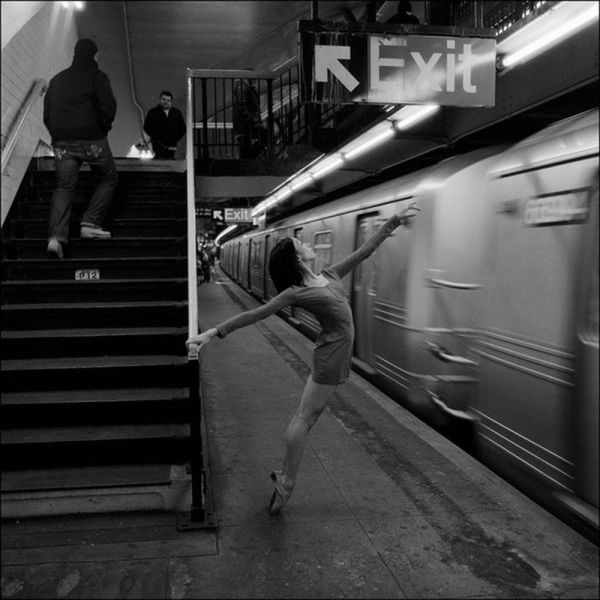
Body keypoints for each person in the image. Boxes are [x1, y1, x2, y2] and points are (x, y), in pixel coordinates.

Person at [187, 202, 419, 514]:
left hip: (333, 352)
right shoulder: (296, 292)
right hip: (330, 357)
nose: (308, 244)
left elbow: (364, 252)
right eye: (302, 244)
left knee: (304, 416)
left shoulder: (328, 275)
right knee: (304, 418)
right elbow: (256, 313)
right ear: (297, 258)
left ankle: (284, 479)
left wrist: (393, 222)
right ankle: (285, 483)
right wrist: (213, 333)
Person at [43, 38, 117, 259]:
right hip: (91, 139)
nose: (98, 59)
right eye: (97, 56)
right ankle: (90, 222)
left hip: (62, 143)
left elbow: (47, 114)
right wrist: (101, 129)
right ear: (93, 55)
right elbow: (108, 107)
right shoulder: (98, 77)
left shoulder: (57, 80)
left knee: (64, 187)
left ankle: (55, 238)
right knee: (108, 177)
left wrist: (56, 134)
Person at [143, 91, 186, 159]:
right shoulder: (153, 112)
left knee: (171, 160)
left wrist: (176, 138)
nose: (165, 102)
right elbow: (147, 127)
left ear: (171, 101)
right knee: (159, 160)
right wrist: (156, 137)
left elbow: (183, 128)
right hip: (157, 144)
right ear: (160, 100)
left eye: (168, 100)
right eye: (163, 99)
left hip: (172, 144)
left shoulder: (177, 113)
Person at [232, 78, 264, 159]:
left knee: (249, 149)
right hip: (245, 126)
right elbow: (242, 105)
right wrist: (252, 118)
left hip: (246, 126)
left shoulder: (247, 88)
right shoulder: (242, 87)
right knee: (247, 149)